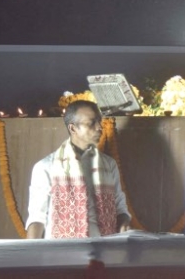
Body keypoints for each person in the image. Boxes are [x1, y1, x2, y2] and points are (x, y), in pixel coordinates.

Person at [25, 101, 130, 239]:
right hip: (62, 253)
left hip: (104, 251)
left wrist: (124, 229)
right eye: (91, 123)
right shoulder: (46, 167)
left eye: (99, 121)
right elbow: (37, 218)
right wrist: (30, 256)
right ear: (73, 128)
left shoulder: (109, 165)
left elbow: (120, 209)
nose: (99, 127)